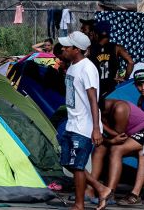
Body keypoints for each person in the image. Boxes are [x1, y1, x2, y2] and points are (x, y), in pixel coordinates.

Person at [58, 31, 111, 210]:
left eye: (67, 47)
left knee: (78, 165)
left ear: (77, 50)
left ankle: (79, 205)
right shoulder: (73, 65)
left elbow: (92, 100)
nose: (63, 49)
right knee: (68, 162)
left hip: (84, 125)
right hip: (72, 122)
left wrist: (96, 128)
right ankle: (101, 188)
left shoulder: (87, 68)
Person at [87, 83, 144, 205]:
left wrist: (101, 127)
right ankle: (89, 190)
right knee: (99, 147)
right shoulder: (103, 111)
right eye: (139, 85)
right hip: (132, 135)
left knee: (116, 149)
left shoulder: (119, 109)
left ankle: (109, 192)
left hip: (140, 132)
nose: (141, 88)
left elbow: (119, 138)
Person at [88, 20, 134, 97]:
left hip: (96, 87)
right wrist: (125, 79)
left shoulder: (90, 49)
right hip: (112, 88)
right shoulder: (117, 48)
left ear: (96, 34)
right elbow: (131, 62)